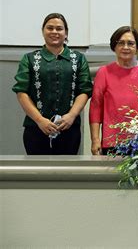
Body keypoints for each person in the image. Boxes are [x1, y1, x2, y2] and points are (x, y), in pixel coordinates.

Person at [12, 13, 92, 155]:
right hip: (35, 129)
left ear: (66, 32)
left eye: (59, 28)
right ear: (43, 31)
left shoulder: (78, 59)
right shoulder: (29, 59)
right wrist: (40, 120)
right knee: (36, 174)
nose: (54, 32)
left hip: (69, 130)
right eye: (50, 28)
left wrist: (72, 115)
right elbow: (21, 92)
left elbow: (84, 90)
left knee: (67, 174)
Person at [89, 26, 138, 155]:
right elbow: (95, 107)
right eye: (121, 43)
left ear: (137, 47)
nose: (125, 47)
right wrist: (95, 139)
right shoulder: (104, 72)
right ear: (114, 46)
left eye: (130, 43)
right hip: (111, 142)